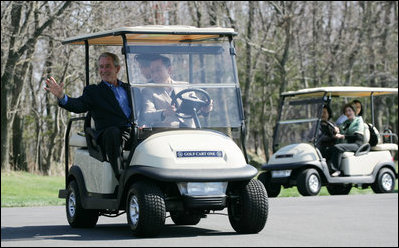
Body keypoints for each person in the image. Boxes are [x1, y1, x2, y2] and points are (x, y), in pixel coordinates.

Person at [44, 52, 132, 179]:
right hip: (110, 134)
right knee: (113, 132)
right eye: (101, 67)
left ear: (117, 69)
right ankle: (121, 177)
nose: (104, 70)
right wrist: (62, 97)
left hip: (131, 132)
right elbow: (78, 105)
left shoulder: (128, 88)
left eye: (108, 66)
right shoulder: (94, 91)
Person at [141, 54, 213, 127]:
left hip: (190, 131)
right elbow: (147, 115)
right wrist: (164, 113)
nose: (155, 75)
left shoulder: (185, 86)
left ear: (169, 70)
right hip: (166, 134)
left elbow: (195, 107)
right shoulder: (148, 91)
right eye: (152, 72)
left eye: (158, 70)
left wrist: (205, 109)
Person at [329, 102, 365, 177]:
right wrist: (336, 130)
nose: (348, 113)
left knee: (338, 147)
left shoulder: (358, 120)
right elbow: (340, 129)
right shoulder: (346, 122)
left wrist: (343, 136)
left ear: (353, 111)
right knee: (329, 149)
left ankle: (336, 170)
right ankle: (328, 169)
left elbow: (358, 137)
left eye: (349, 110)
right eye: (346, 111)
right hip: (349, 144)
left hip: (357, 145)